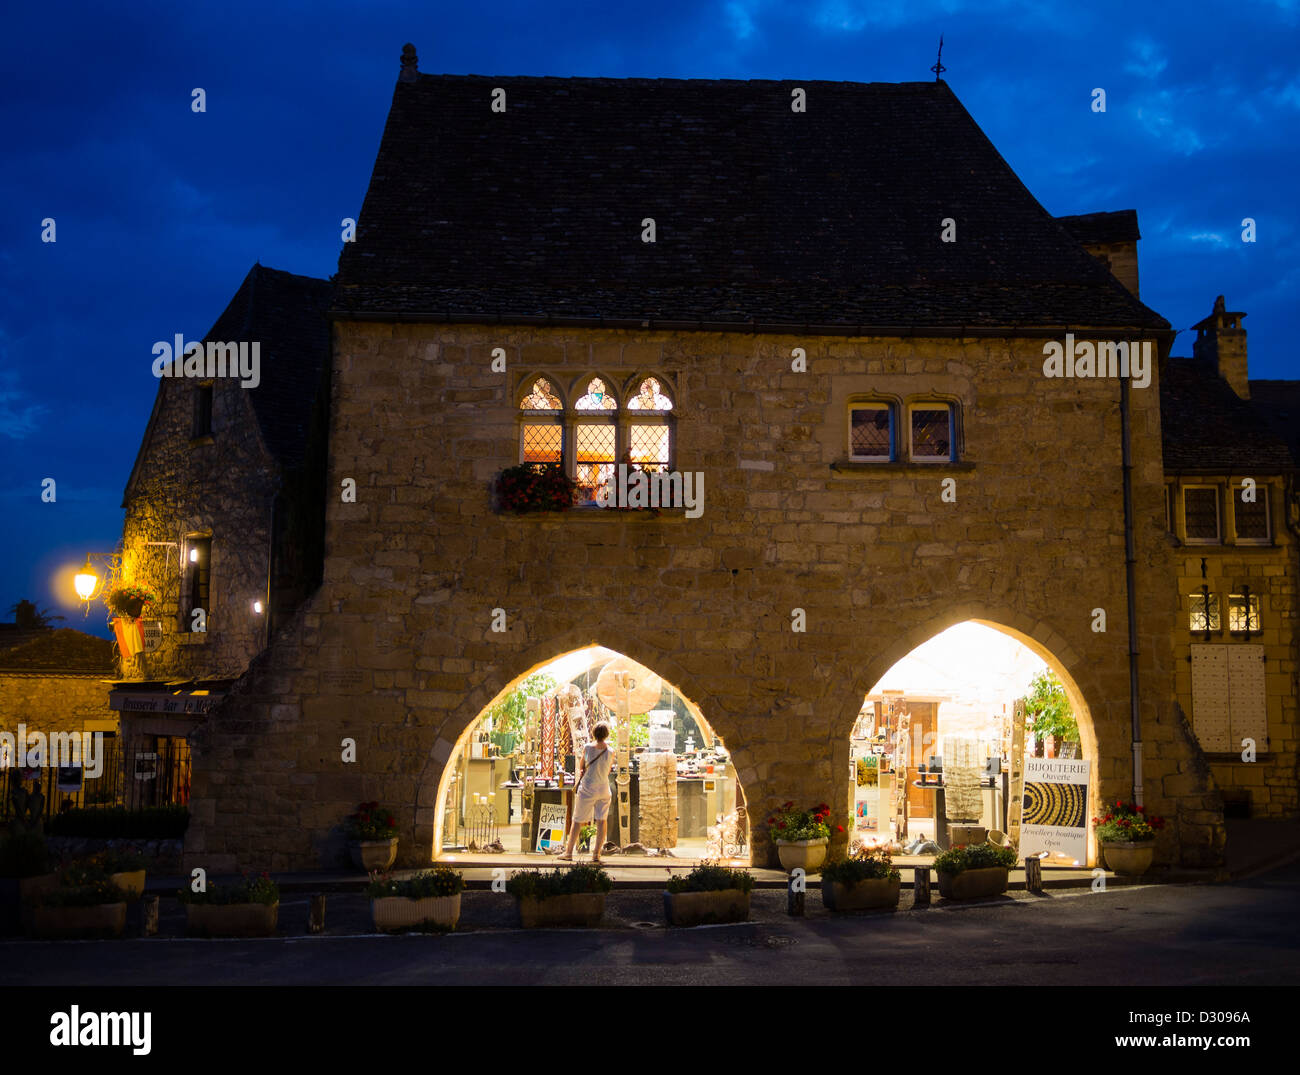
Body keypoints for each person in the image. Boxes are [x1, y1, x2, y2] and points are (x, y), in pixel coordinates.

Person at [559, 722, 614, 862]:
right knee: (602, 820)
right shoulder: (611, 751)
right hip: (603, 788)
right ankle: (596, 854)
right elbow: (608, 770)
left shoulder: (588, 748)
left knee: (577, 820)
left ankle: (569, 852)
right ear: (606, 734)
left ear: (594, 733)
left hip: (588, 788)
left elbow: (582, 766)